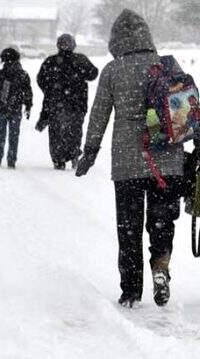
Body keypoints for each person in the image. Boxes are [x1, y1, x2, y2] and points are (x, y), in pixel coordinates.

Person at [76, 10, 184, 308]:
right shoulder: (165, 65)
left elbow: (98, 115)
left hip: (128, 163)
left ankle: (131, 290)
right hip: (168, 161)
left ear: (116, 40)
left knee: (129, 227)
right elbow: (187, 110)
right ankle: (160, 268)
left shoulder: (113, 70)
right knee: (162, 222)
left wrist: (90, 151)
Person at [36, 34, 99, 170]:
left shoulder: (50, 61)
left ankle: (58, 159)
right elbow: (93, 74)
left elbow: (40, 79)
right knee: (74, 131)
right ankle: (74, 153)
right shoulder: (80, 59)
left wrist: (50, 90)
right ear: (73, 45)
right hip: (77, 104)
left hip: (55, 104)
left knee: (56, 133)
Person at [0, 48, 33, 169]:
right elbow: (28, 92)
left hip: (1, 108)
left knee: (0, 133)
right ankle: (11, 159)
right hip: (16, 108)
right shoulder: (23, 75)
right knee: (14, 135)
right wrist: (28, 105)